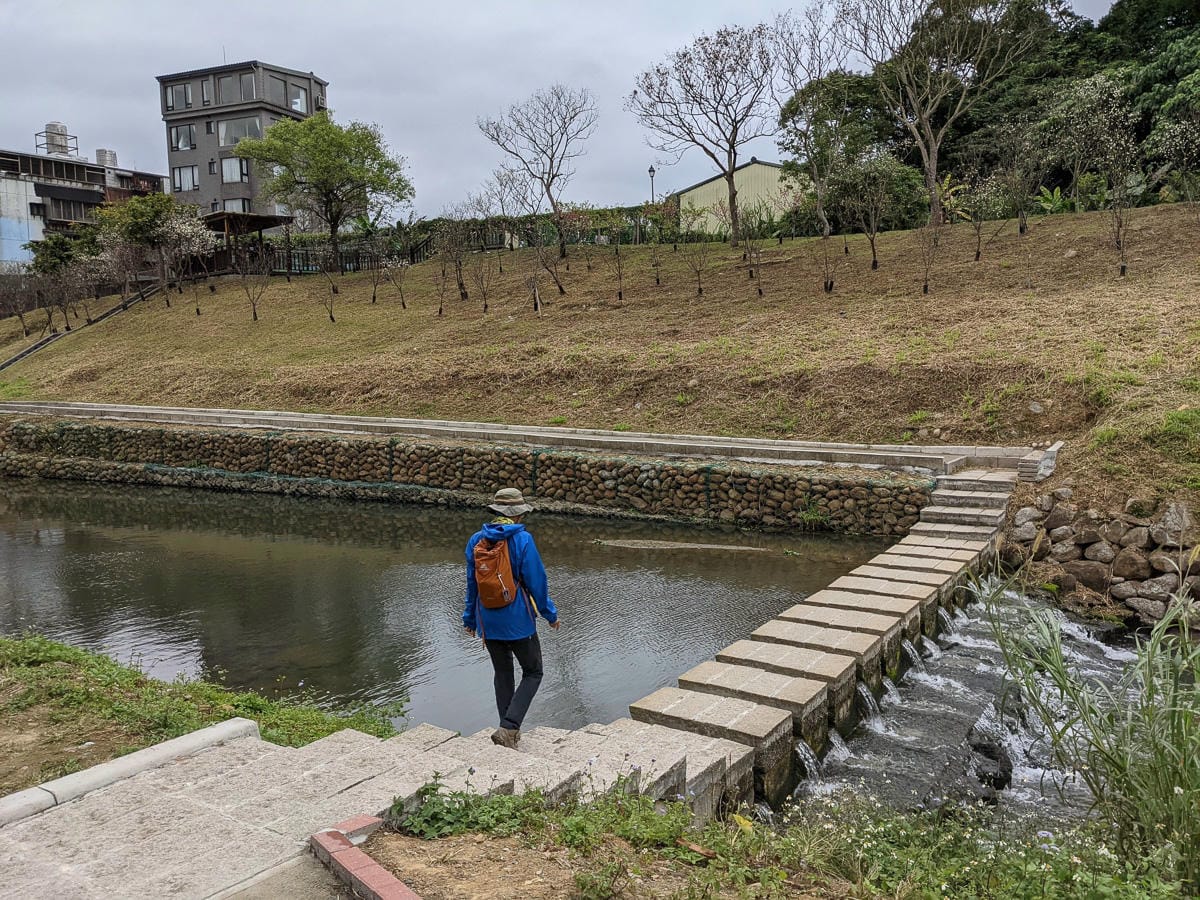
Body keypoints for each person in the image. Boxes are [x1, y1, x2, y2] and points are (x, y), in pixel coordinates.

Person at [463, 487, 559, 749]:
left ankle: (507, 733)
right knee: (533, 672)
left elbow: (472, 584)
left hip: (489, 620)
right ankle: (509, 727)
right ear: (517, 515)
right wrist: (550, 614)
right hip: (518, 621)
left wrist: (469, 619)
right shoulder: (523, 540)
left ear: (495, 512)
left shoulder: (476, 541)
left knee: (503, 673)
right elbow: (537, 581)